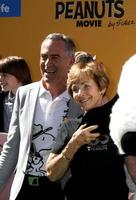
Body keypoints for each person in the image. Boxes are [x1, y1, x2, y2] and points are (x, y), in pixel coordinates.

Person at [0, 33, 83, 200]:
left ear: (71, 61)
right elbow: (12, 147)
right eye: (43, 57)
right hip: (25, 189)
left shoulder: (81, 98)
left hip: (64, 189)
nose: (47, 63)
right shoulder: (24, 94)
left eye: (55, 57)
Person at [46, 61, 136, 199]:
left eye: (86, 86)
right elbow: (52, 174)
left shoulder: (118, 122)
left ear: (102, 87)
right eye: (75, 89)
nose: (80, 93)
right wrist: (73, 144)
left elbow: (134, 168)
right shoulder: (70, 126)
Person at [0, 56, 32, 133]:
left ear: (20, 75)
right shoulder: (2, 98)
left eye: (4, 75)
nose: (0, 79)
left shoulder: (35, 98)